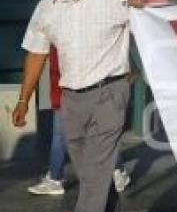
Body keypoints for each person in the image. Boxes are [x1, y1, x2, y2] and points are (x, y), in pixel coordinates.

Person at [12, 0, 145, 212]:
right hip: (71, 100)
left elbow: (150, 29)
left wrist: (144, 8)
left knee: (96, 173)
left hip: (109, 94)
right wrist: (24, 100)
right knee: (93, 178)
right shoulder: (48, 4)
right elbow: (37, 52)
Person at [27, 47, 131, 196]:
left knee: (84, 136)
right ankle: (116, 171)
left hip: (81, 90)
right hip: (69, 91)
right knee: (74, 136)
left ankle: (57, 178)